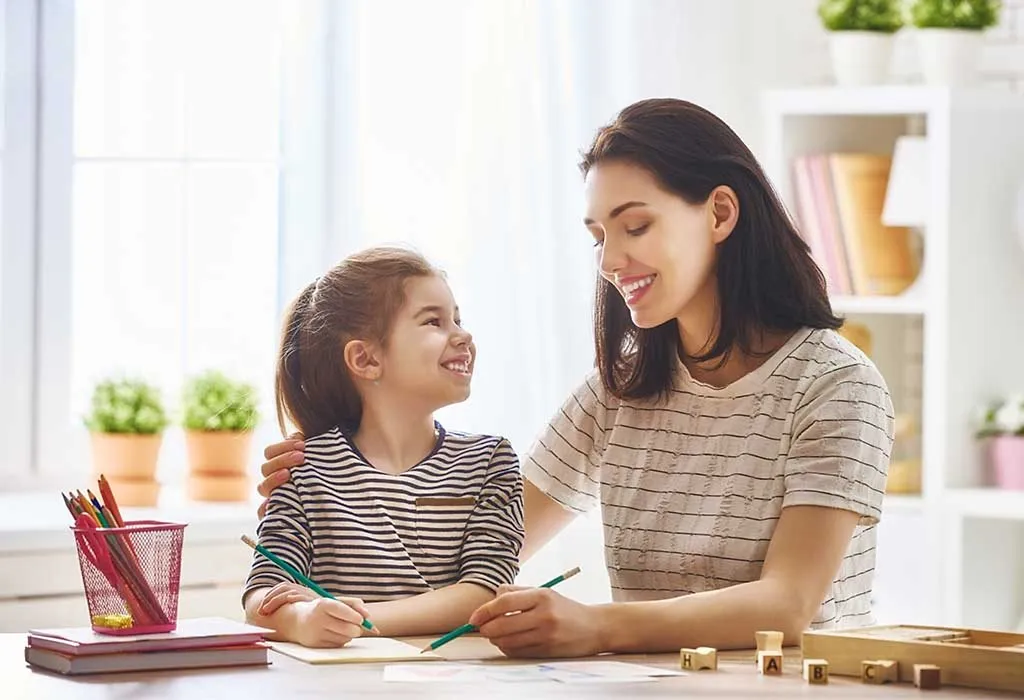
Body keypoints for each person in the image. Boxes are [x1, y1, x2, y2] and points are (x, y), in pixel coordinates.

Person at [256, 98, 894, 658]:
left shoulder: (835, 385)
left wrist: (596, 626)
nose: (612, 261)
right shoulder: (619, 390)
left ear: (720, 214)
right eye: (599, 236)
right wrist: (340, 476)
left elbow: (788, 605)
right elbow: (470, 548)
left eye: (636, 225)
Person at [242, 246, 525, 648]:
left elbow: (484, 590)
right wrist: (303, 620)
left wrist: (362, 620)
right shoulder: (305, 469)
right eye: (434, 321)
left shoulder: (489, 462)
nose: (463, 335)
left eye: (458, 319)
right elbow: (263, 593)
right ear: (365, 359)